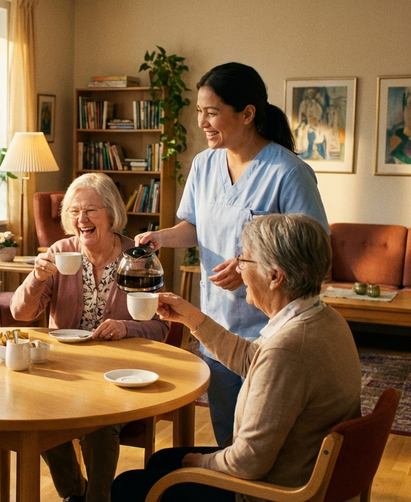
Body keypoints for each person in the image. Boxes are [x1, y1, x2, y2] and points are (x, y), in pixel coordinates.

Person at [136, 62, 329, 447]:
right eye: (199, 112)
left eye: (212, 112)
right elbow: (196, 227)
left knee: (266, 440)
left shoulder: (288, 172)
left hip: (273, 332)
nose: (202, 122)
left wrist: (244, 266)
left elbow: (314, 251)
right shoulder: (204, 165)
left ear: (247, 114)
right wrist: (161, 237)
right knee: (227, 435)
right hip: (217, 327)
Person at [113, 213, 361, 502]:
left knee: (127, 486)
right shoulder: (322, 318)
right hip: (299, 466)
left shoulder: (288, 349)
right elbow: (252, 360)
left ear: (275, 277)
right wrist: (191, 317)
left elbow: (247, 462)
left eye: (244, 260)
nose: (239, 269)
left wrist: (198, 462)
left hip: (271, 492)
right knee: (161, 461)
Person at [11, 172, 169, 502]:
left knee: (99, 426)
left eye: (91, 210)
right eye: (74, 211)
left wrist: (127, 327)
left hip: (119, 375)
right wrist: (36, 278)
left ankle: (98, 498)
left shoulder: (138, 257)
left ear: (111, 213)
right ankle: (74, 491)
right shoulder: (59, 252)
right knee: (37, 415)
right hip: (65, 372)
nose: (81, 219)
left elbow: (161, 326)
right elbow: (21, 313)